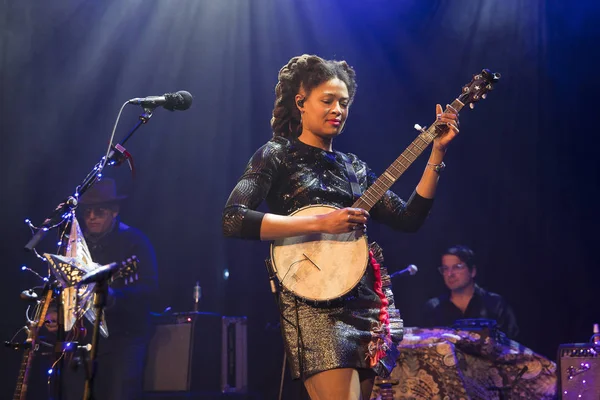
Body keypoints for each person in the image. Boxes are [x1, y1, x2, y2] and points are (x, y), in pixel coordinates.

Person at [222, 54, 460, 400]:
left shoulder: (355, 168)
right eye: (328, 100)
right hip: (315, 303)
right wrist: (322, 222)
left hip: (363, 300)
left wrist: (436, 153)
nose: (338, 109)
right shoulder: (275, 154)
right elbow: (233, 217)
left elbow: (409, 219)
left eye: (344, 103)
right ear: (301, 103)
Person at [64, 177, 158, 400]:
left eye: (99, 211)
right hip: (84, 338)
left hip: (124, 339)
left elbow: (150, 288)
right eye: (87, 212)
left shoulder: (134, 242)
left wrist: (116, 296)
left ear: (114, 211)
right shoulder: (77, 245)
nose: (91, 217)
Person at [422, 245, 519, 339]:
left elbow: (512, 344)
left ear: (472, 271)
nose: (449, 274)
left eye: (457, 267)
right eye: (445, 269)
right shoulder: (434, 308)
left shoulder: (495, 304)